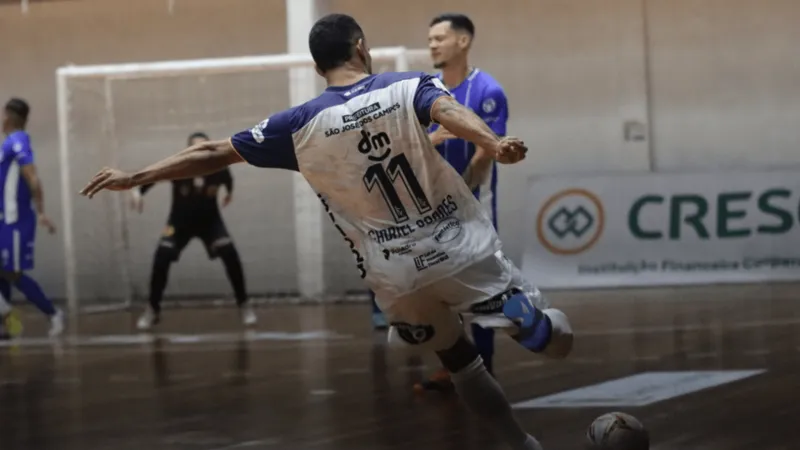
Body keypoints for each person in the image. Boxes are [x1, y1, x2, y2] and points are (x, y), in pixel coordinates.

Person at [80, 14, 573, 450]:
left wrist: (136, 176)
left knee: (459, 360)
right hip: (456, 248)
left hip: (395, 277)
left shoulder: (298, 125)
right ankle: (525, 320)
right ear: (362, 46)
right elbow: (448, 113)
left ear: (318, 69)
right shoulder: (408, 85)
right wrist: (494, 141)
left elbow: (211, 150)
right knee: (557, 341)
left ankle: (522, 444)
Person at [414, 12, 509, 392]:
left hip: (473, 208)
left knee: (480, 292)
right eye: (430, 38)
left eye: (440, 37)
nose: (432, 44)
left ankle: (483, 370)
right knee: (439, 292)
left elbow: (488, 150)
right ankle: (455, 368)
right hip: (432, 209)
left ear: (463, 41)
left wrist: (461, 195)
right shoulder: (426, 91)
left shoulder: (487, 90)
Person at [132, 132, 256, 330]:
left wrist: (228, 194)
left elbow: (228, 182)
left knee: (230, 254)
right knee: (161, 257)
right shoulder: (178, 167)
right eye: (195, 149)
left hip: (210, 222)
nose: (200, 154)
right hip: (179, 223)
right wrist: (138, 191)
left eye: (205, 148)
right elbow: (153, 176)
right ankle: (152, 309)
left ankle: (244, 304)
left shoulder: (220, 168)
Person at [1, 98, 63, 337]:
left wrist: (41, 212)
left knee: (11, 272)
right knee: (3, 271)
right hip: (5, 220)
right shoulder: (9, 143)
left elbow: (33, 177)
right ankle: (6, 325)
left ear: (7, 115)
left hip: (16, 221)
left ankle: (53, 313)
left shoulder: (18, 142)